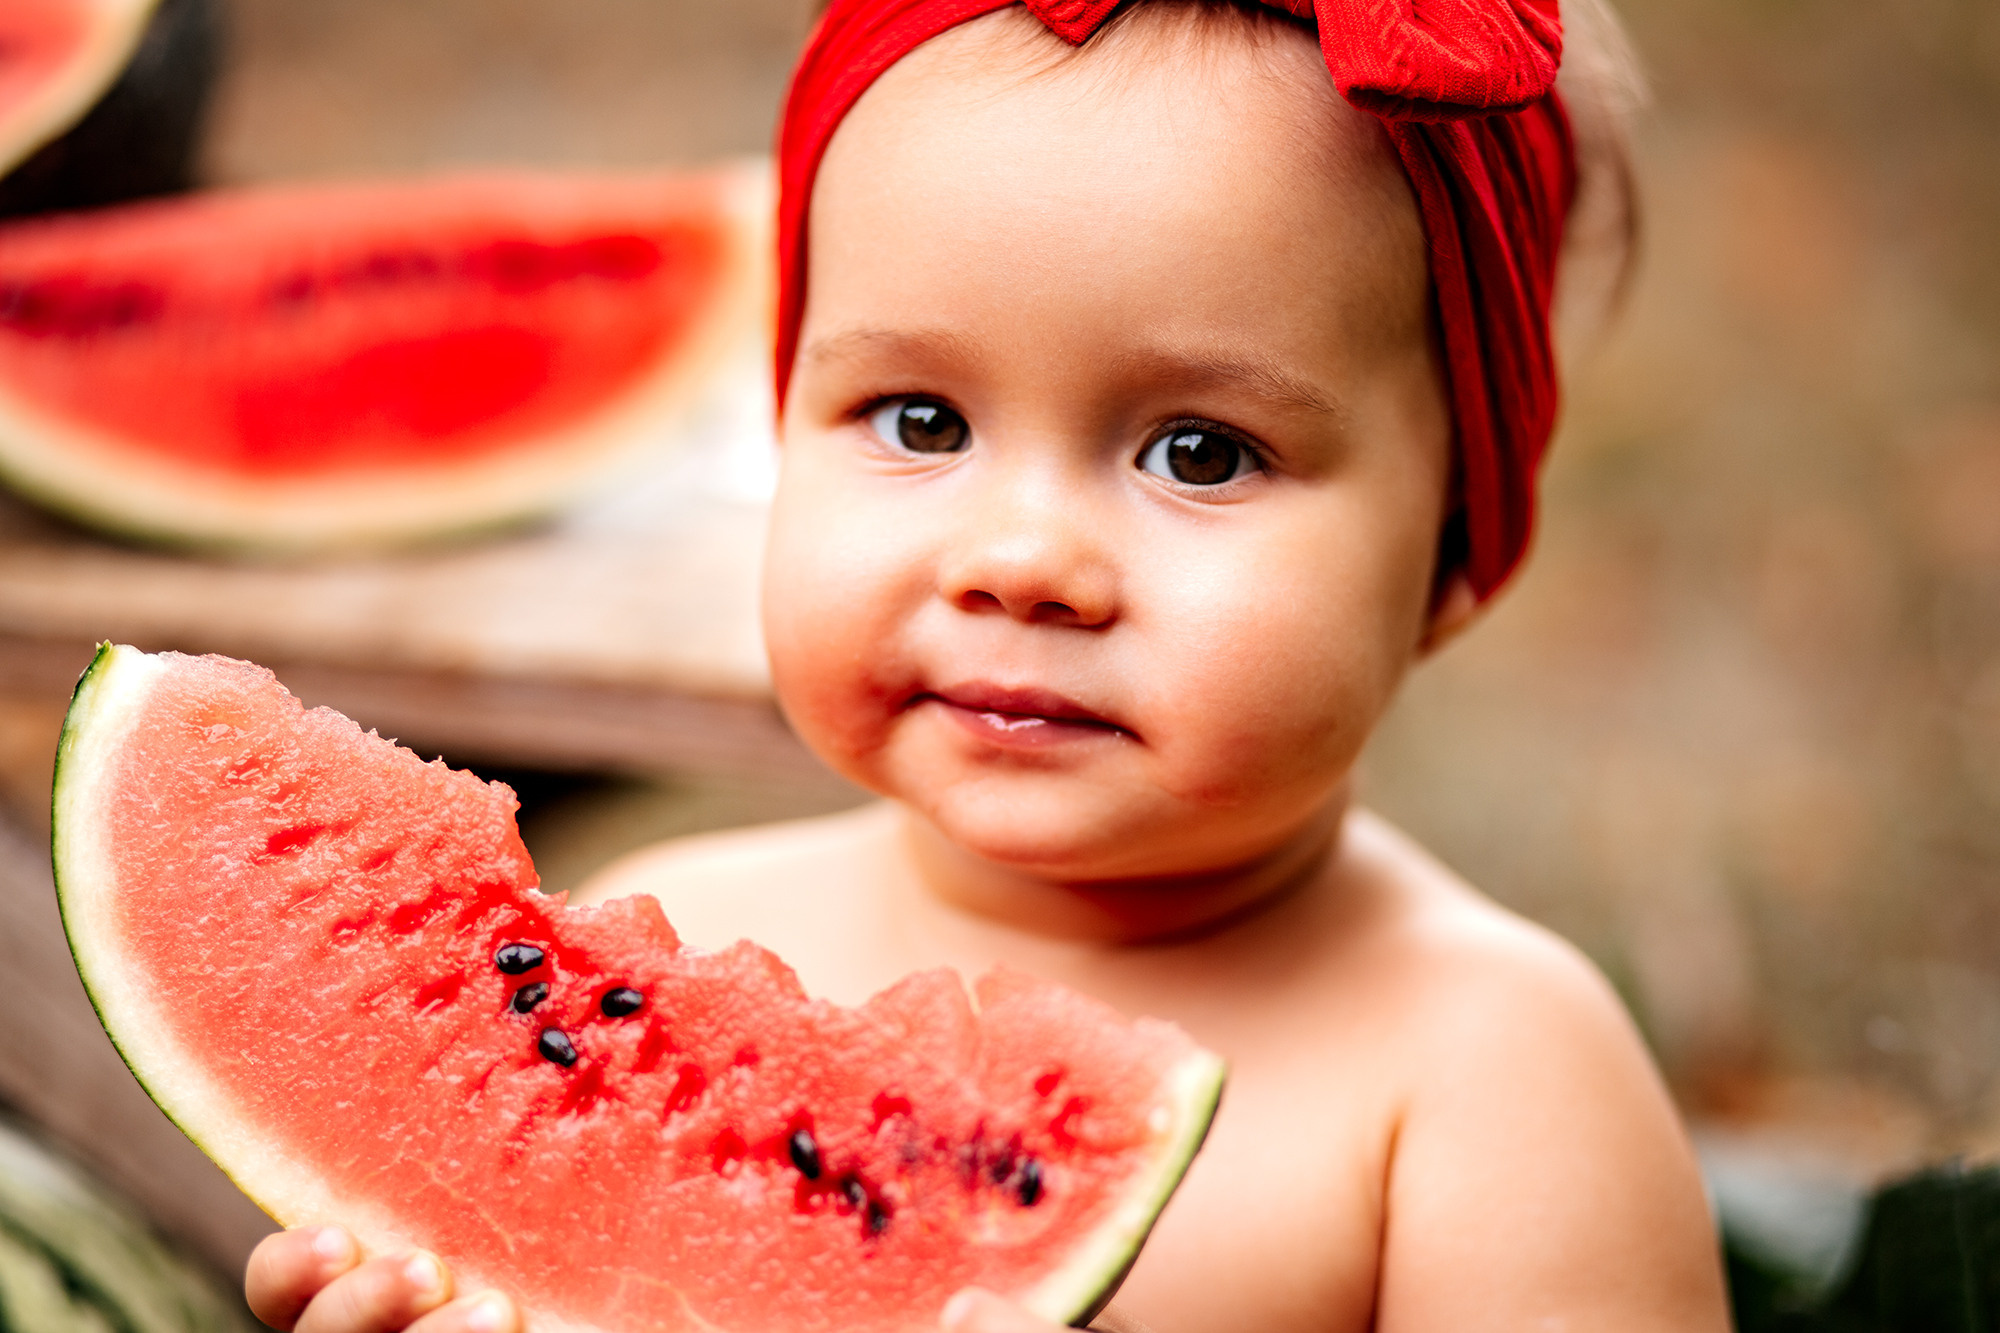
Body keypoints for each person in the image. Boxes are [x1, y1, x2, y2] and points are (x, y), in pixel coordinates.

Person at [244, 2, 1731, 1331]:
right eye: (919, 421)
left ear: (1461, 551)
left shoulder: (1500, 1081)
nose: (1019, 558)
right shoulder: (656, 941)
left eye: (1198, 452)